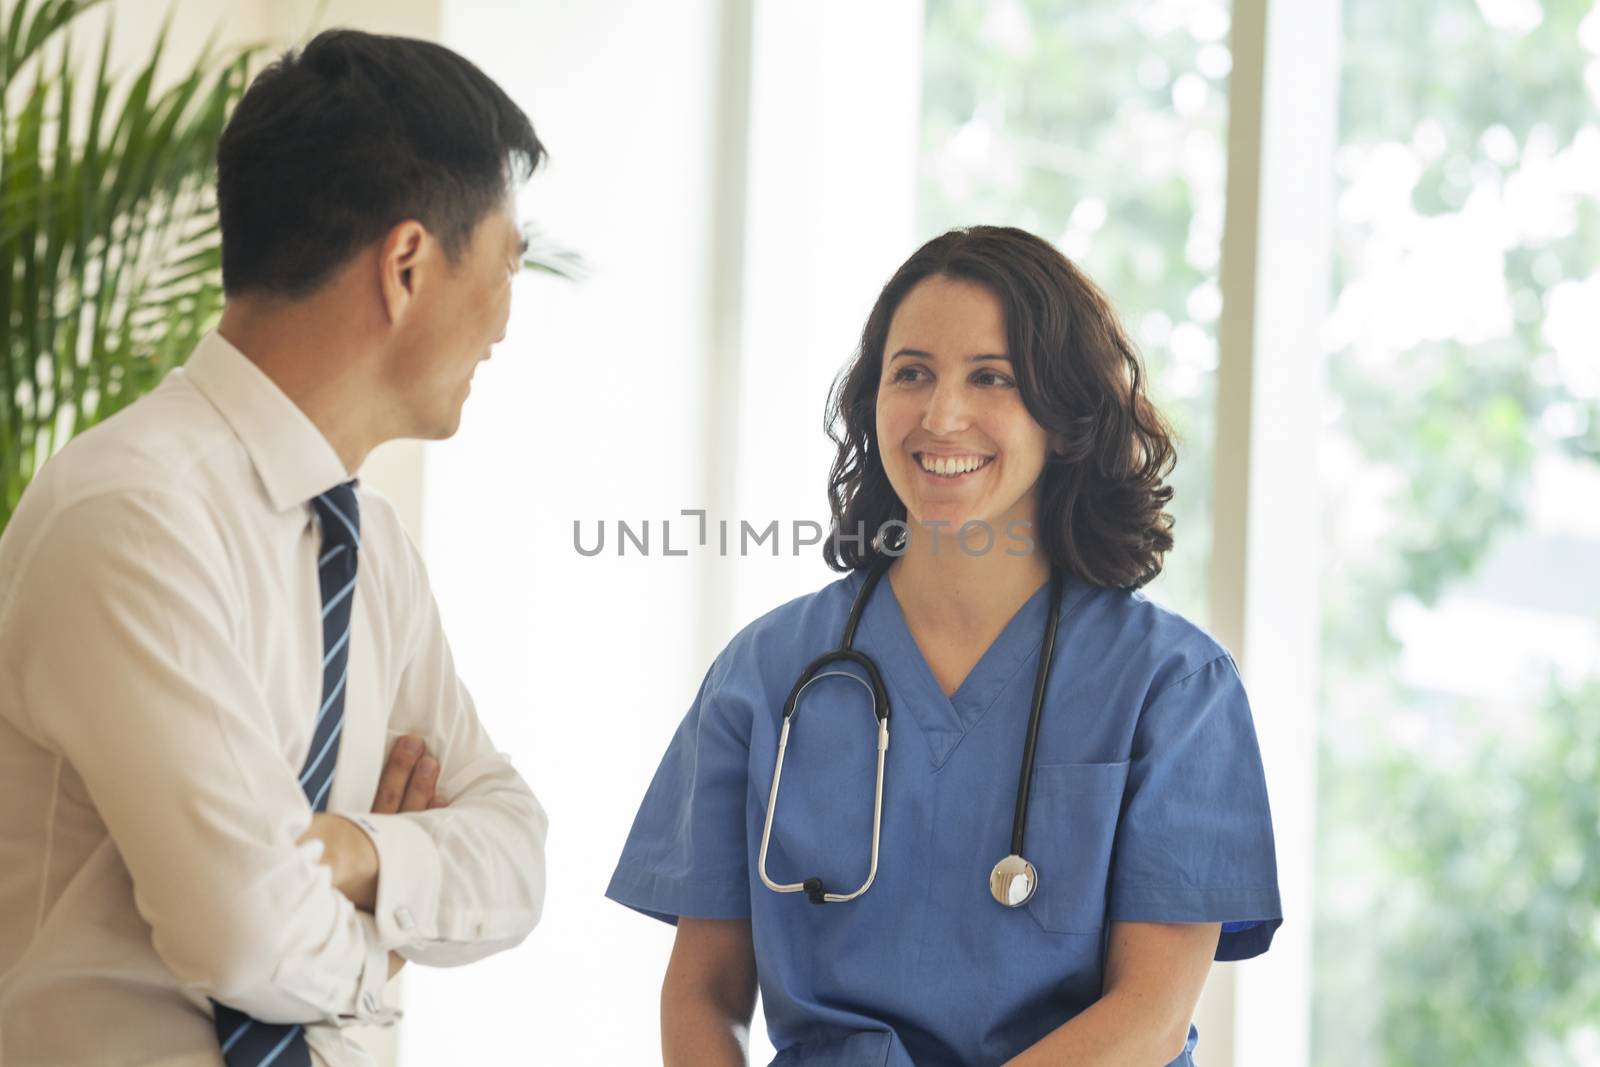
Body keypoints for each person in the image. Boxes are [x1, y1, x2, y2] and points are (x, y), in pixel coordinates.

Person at [607, 226, 1282, 1066]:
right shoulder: (766, 672)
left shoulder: (1175, 687)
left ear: (1064, 415)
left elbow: (1148, 1015)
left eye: (991, 377)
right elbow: (702, 994)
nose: (941, 415)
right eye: (912, 373)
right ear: (873, 402)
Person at [0, 30, 547, 1067]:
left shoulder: (368, 545)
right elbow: (244, 928)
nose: (504, 327)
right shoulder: (130, 514)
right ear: (407, 265)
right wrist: (380, 954)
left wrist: (354, 850)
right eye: (506, 266)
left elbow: (516, 853)